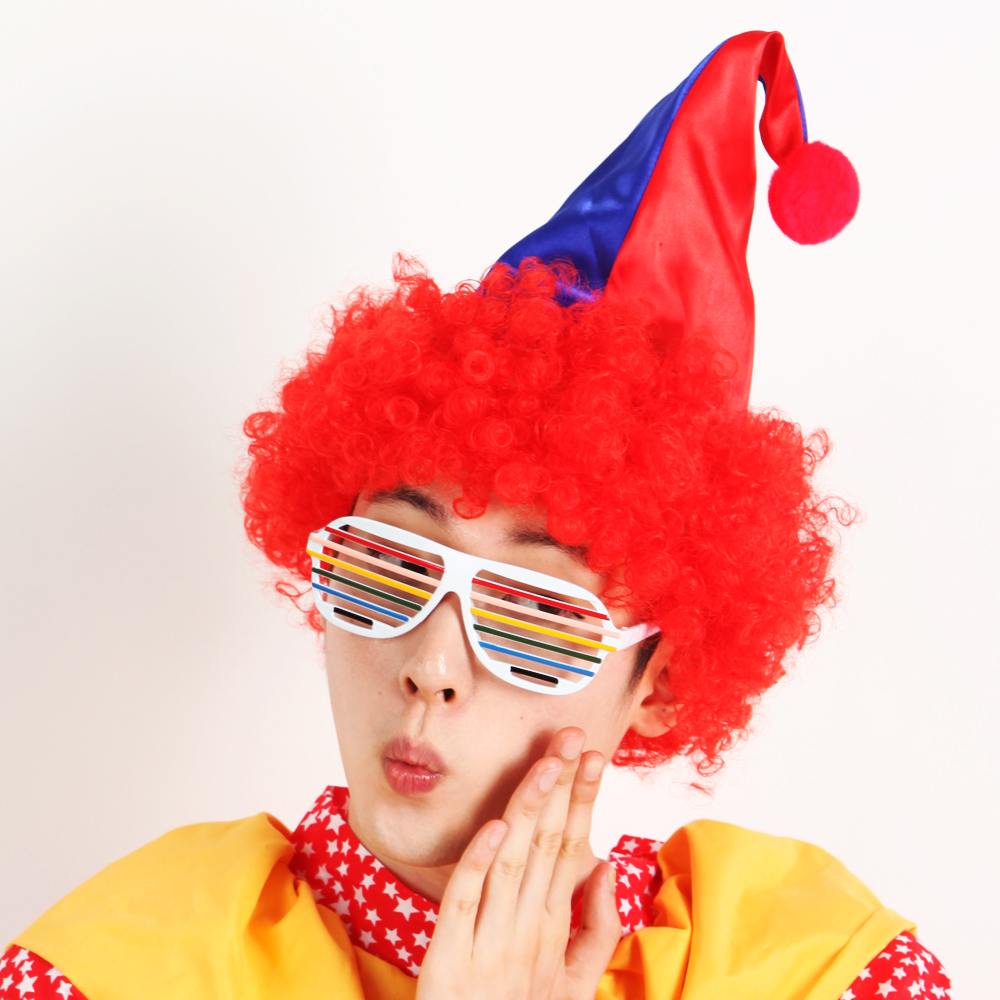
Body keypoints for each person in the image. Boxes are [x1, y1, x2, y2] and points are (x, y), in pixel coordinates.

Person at [2, 30, 951, 1000]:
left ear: (658, 682)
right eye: (384, 569)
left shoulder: (810, 967)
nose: (432, 667)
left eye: (534, 615)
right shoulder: (129, 963)